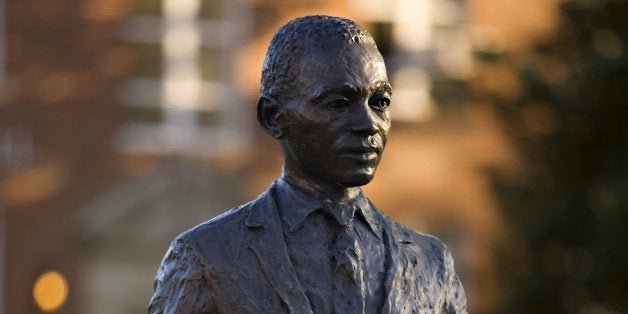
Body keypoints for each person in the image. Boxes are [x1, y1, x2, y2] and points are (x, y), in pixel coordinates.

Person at [149, 15, 467, 313]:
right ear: (273, 117)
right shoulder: (207, 255)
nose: (368, 124)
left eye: (380, 102)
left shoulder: (432, 262)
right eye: (338, 103)